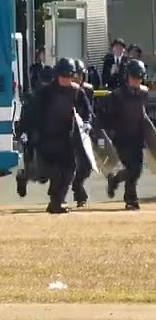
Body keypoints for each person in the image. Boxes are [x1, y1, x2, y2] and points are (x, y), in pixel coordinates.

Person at [23, 58, 89, 214]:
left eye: (69, 76)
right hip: (46, 139)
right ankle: (24, 175)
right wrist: (26, 132)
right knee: (43, 174)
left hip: (66, 138)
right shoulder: (45, 92)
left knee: (68, 170)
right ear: (57, 75)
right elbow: (31, 114)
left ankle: (56, 202)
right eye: (63, 76)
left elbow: (87, 112)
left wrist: (87, 123)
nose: (66, 79)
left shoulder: (77, 92)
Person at [101, 60, 148, 210]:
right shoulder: (117, 95)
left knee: (137, 170)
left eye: (139, 77)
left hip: (137, 138)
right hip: (122, 138)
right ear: (127, 76)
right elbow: (108, 117)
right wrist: (109, 134)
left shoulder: (143, 93)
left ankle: (115, 180)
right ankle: (131, 199)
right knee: (131, 169)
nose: (136, 80)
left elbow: (144, 115)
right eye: (134, 76)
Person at [71, 58, 96, 208]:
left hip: (83, 131)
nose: (77, 78)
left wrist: (88, 123)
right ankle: (59, 196)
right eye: (74, 75)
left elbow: (90, 110)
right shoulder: (64, 89)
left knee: (87, 165)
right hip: (66, 131)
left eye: (80, 75)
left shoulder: (88, 90)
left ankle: (77, 185)